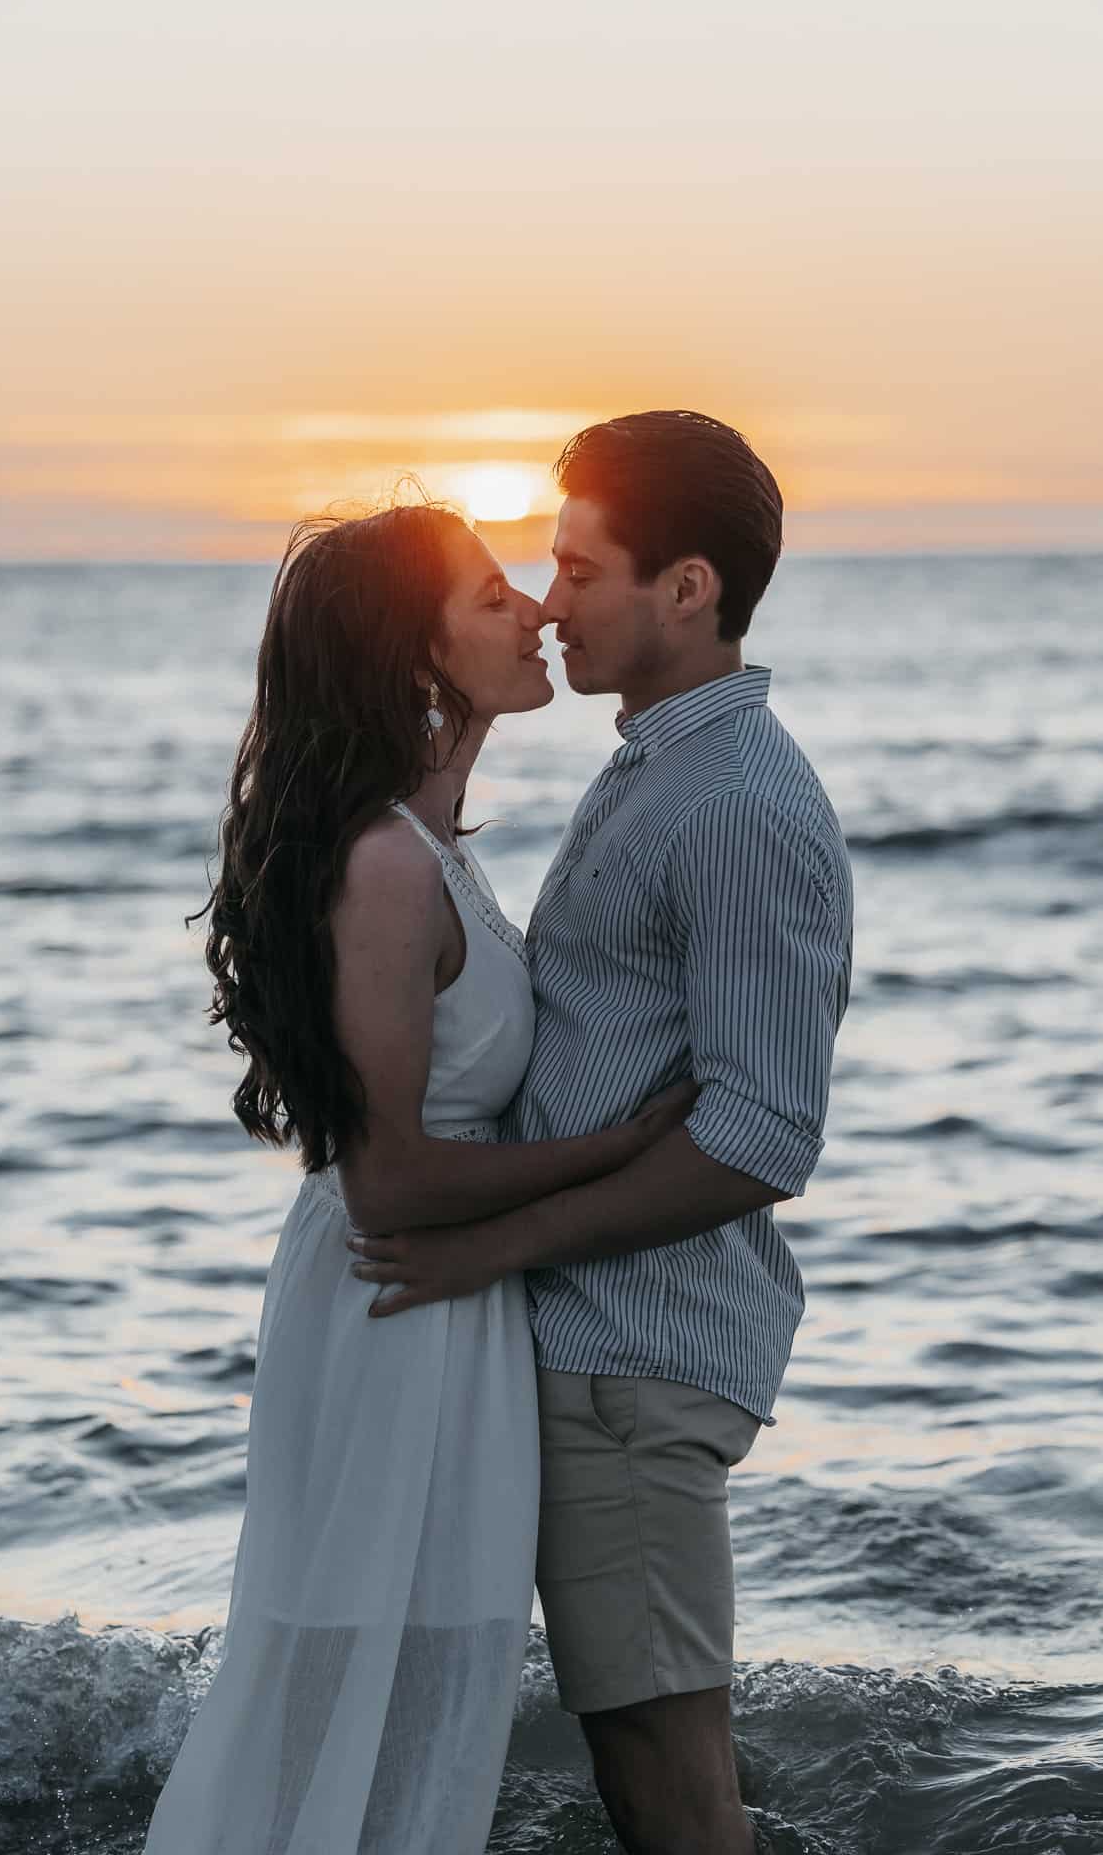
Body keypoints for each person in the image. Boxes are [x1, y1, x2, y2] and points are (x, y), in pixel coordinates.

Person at [143, 499, 692, 1854]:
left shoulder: (422, 839)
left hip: (438, 1314)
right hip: (396, 1304)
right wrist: (626, 1148)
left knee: (426, 1665)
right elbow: (387, 1179)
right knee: (367, 1663)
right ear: (413, 649)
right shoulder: (386, 865)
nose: (533, 611)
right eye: (488, 596)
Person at [348, 411, 855, 1855]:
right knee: (632, 1751)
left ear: (686, 589)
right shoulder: (655, 767)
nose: (549, 601)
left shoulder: (740, 804)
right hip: (581, 1341)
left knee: (664, 1773)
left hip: (633, 1356)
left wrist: (495, 1241)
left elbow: (761, 1137)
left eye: (579, 570)